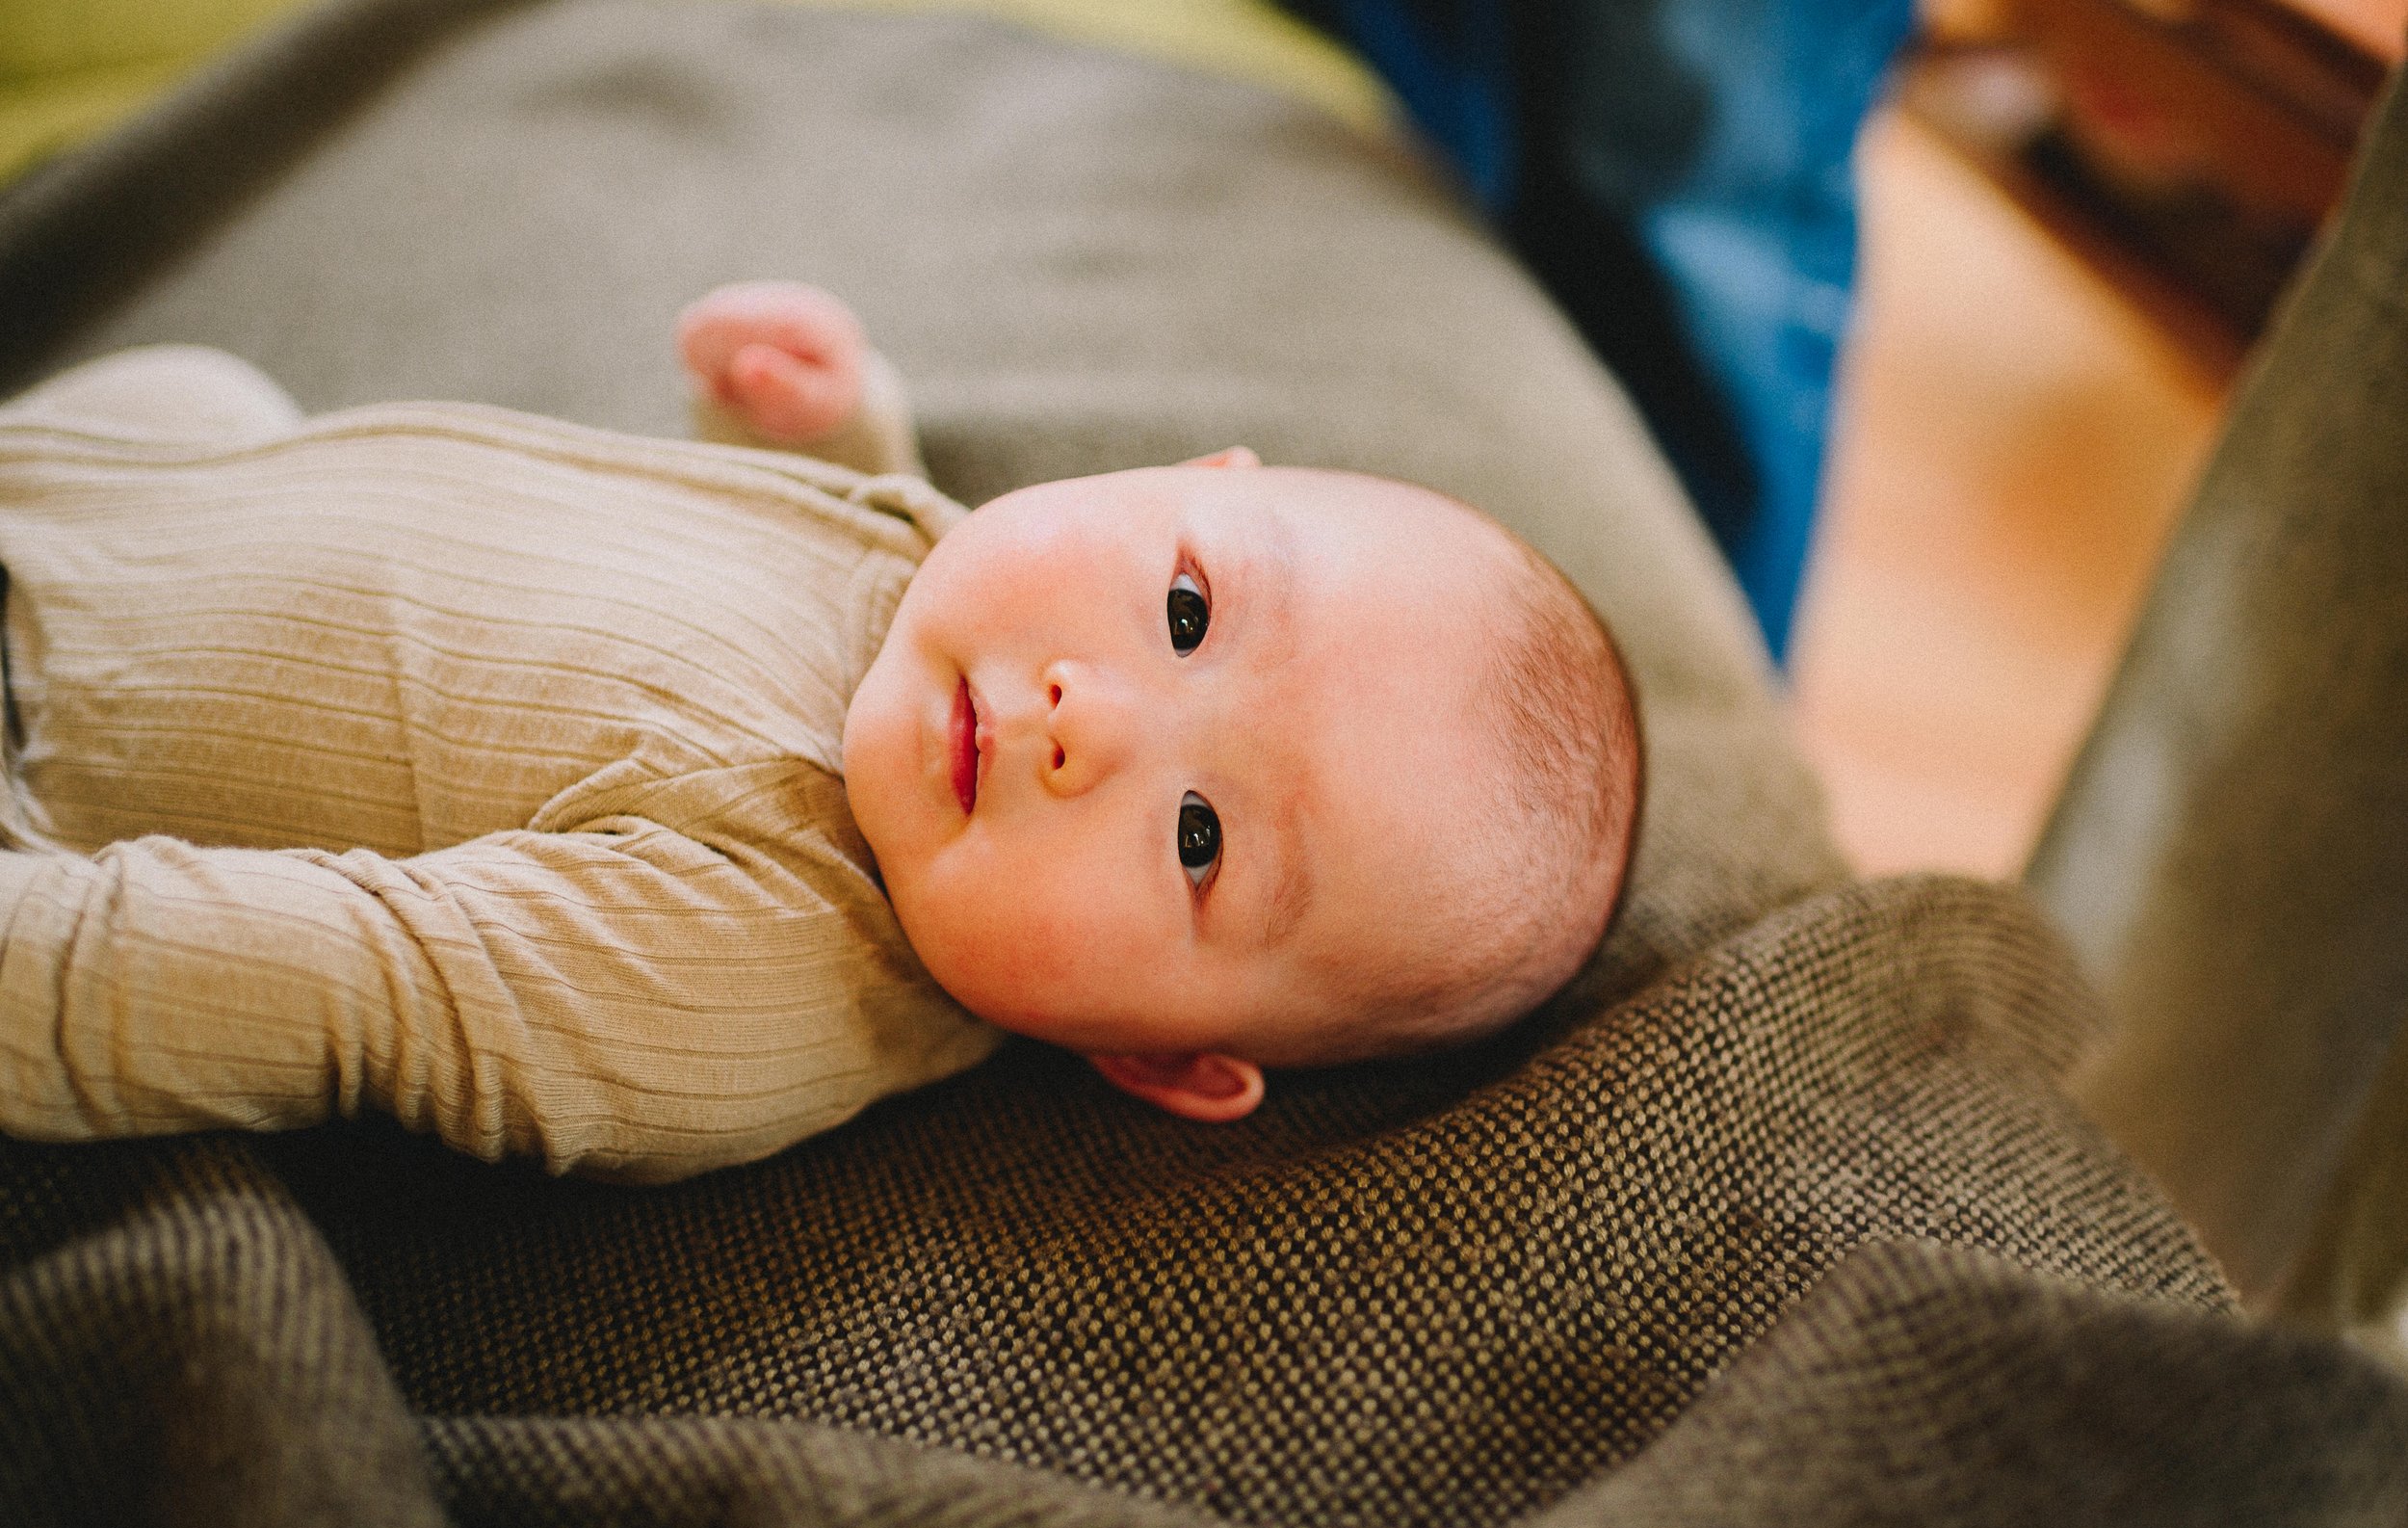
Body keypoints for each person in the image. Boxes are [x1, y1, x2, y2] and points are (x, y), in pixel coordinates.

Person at [0, 281, 1640, 1182]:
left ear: (1149, 1056)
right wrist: (816, 428)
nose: (1093, 719)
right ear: (1194, 482)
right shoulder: (946, 588)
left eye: (1202, 838)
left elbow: (326, 978)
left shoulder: (738, 982)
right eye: (1191, 614)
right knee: (197, 387)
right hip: (157, 486)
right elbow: (750, 593)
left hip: (45, 746)